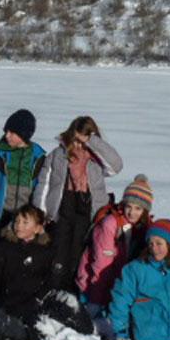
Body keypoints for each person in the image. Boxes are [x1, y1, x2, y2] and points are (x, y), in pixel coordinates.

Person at [32, 116, 123, 291]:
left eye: (83, 141)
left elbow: (116, 165)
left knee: (79, 250)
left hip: (89, 207)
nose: (79, 146)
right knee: (59, 249)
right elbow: (44, 183)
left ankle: (74, 290)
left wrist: (92, 142)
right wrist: (40, 211)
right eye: (76, 140)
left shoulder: (97, 157)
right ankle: (54, 288)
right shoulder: (58, 154)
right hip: (62, 206)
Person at [0, 204, 93, 336]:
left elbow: (52, 280)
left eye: (25, 222)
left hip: (37, 302)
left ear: (37, 228)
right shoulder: (1, 250)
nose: (19, 226)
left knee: (74, 311)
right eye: (17, 221)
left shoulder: (46, 251)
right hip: (12, 305)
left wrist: (38, 299)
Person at [77, 174, 154, 316]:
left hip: (119, 287)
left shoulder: (145, 228)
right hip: (93, 286)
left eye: (138, 208)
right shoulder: (110, 224)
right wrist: (95, 302)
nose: (132, 212)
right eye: (129, 206)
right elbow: (100, 267)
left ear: (145, 211)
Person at [0, 109, 46, 237]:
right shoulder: (1, 154)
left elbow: (42, 186)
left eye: (12, 133)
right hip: (2, 212)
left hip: (25, 216)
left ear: (24, 135)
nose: (7, 136)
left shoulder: (37, 157)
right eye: (6, 132)